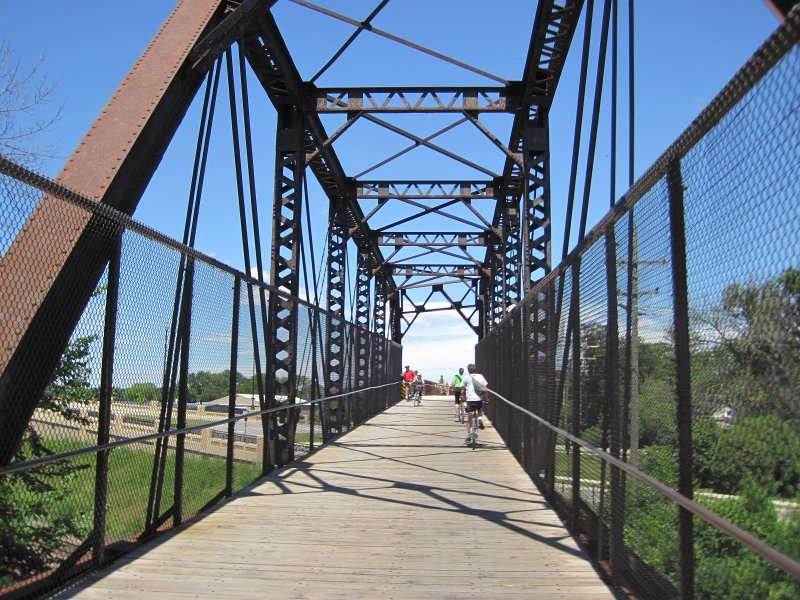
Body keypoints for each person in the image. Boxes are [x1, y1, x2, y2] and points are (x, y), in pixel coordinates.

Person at [462, 363, 488, 444]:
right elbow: (485, 388)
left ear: (468, 370)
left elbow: (462, 390)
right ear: (475, 369)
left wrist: (463, 397)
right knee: (479, 410)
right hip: (479, 399)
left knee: (469, 417)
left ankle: (469, 435)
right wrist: (486, 399)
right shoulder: (480, 376)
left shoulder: (466, 378)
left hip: (470, 400)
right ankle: (480, 419)